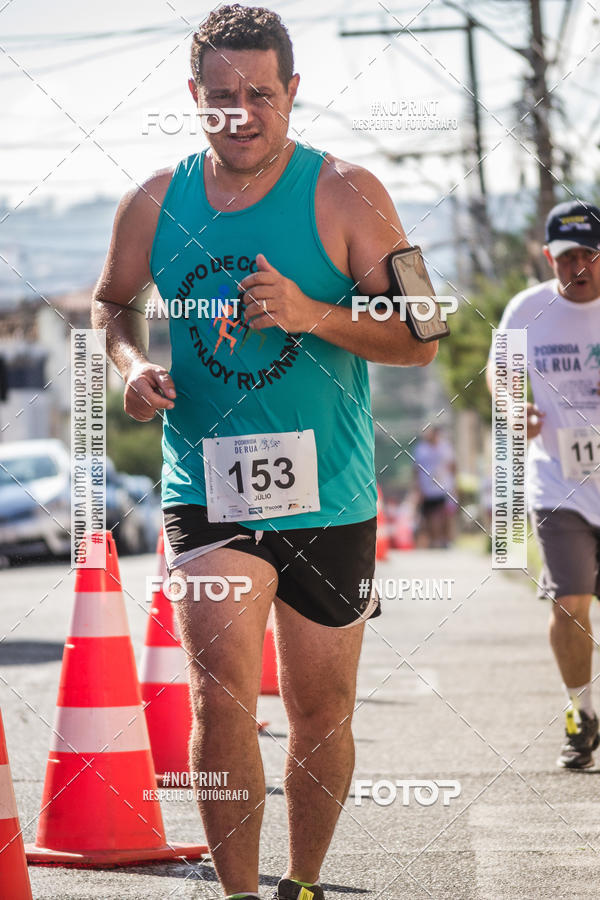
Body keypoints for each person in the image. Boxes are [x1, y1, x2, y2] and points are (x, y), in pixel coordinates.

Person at [92, 5, 437, 897]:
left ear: (292, 92)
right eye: (219, 98)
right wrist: (130, 364)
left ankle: (304, 883)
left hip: (333, 492)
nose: (239, 113)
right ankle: (240, 892)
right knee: (221, 697)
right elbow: (112, 302)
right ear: (193, 99)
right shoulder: (155, 201)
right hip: (207, 486)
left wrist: (311, 313)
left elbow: (425, 333)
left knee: (322, 711)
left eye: (258, 94)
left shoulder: (350, 192)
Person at [487, 199, 600, 769]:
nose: (577, 267)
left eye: (588, 254)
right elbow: (500, 374)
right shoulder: (528, 309)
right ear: (547, 256)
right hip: (559, 484)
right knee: (571, 600)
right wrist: (513, 405)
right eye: (564, 257)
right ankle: (580, 711)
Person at [413, 426, 456, 548]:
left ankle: (446, 540)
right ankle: (435, 540)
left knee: (446, 515)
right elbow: (416, 470)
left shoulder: (445, 447)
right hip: (428, 489)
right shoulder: (421, 449)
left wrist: (454, 484)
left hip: (445, 487)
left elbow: (452, 466)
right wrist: (417, 488)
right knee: (431, 516)